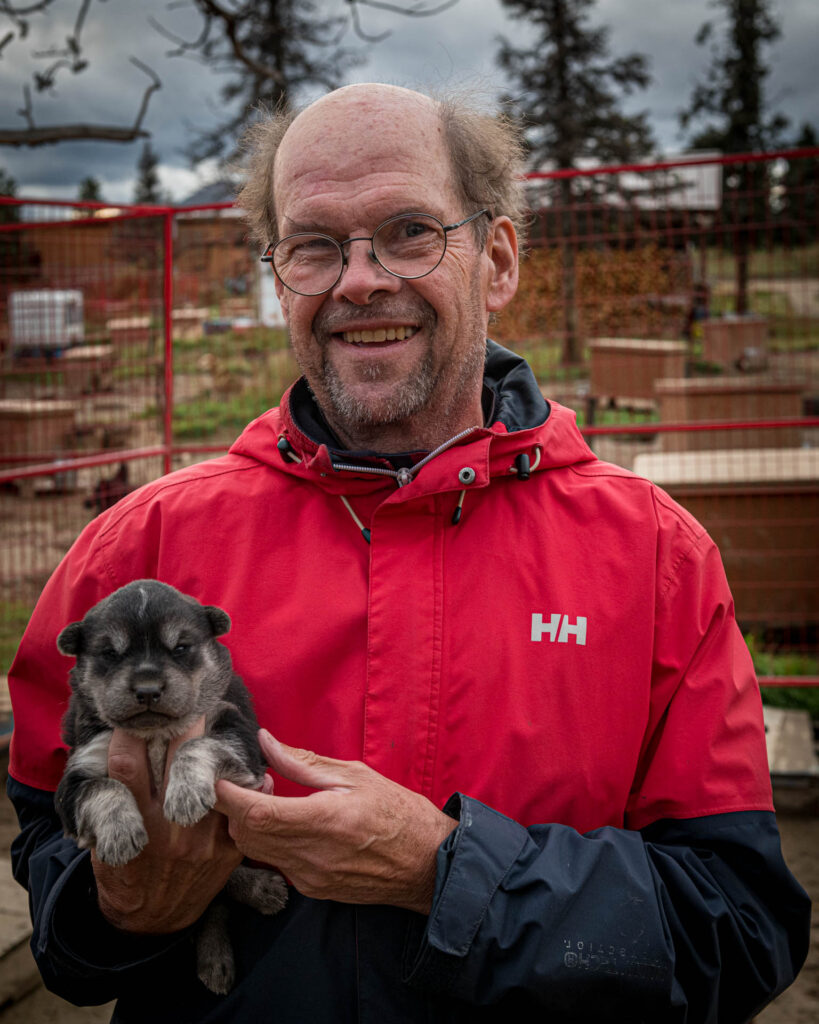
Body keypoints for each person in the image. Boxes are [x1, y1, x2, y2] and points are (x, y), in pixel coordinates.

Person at [7, 84, 810, 1023]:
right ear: (280, 280)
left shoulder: (652, 559)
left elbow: (740, 931)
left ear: (497, 260)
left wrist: (443, 873)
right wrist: (119, 909)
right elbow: (46, 845)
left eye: (407, 232)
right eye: (314, 246)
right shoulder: (138, 548)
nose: (358, 280)